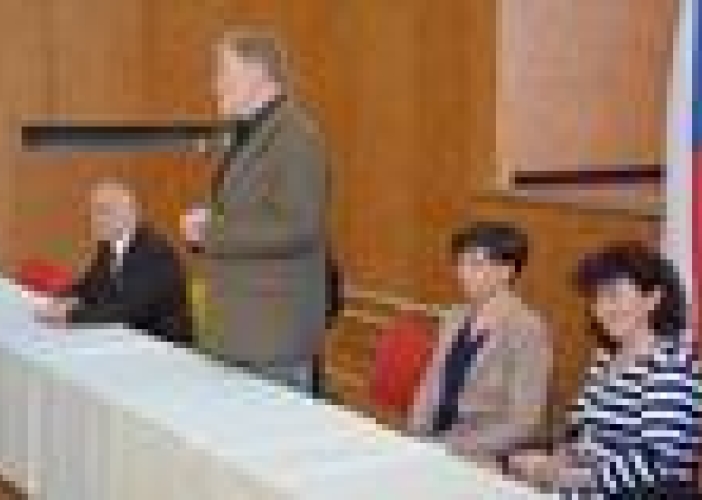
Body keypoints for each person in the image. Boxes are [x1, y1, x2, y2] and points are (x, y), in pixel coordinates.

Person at [181, 30, 327, 392]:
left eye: (223, 71)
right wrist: (206, 224)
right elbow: (245, 212)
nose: (215, 84)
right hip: (235, 332)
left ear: (258, 71)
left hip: (270, 341)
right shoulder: (245, 134)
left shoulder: (296, 136)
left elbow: (299, 227)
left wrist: (212, 232)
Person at [508, 243, 700, 498]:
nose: (603, 308)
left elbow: (656, 464)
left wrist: (561, 475)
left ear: (652, 299)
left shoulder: (671, 366)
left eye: (613, 295)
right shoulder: (605, 359)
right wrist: (555, 459)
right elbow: (581, 432)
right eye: (596, 298)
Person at [408, 221, 552, 467]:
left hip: (482, 453)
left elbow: (523, 421)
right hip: (432, 441)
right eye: (460, 263)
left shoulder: (527, 329)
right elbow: (431, 382)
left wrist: (450, 447)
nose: (463, 273)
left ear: (506, 271)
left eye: (475, 264)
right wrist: (416, 434)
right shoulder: (455, 315)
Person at [35, 180, 194, 348]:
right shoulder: (109, 245)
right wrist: (62, 299)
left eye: (104, 211)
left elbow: (126, 309)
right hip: (127, 335)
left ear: (130, 213)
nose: (95, 220)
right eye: (94, 212)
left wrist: (70, 316)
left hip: (163, 345)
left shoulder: (155, 253)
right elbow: (89, 285)